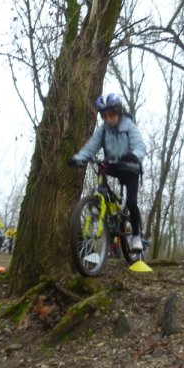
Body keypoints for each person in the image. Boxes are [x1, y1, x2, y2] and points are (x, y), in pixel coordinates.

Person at [68, 92, 146, 251]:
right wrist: (78, 158)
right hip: (113, 164)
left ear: (119, 112)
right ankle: (100, 203)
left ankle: (136, 236)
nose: (108, 119)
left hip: (130, 167)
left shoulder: (129, 126)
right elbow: (91, 146)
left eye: (111, 115)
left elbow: (140, 145)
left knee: (131, 202)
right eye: (104, 116)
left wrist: (134, 155)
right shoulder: (103, 130)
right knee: (101, 167)